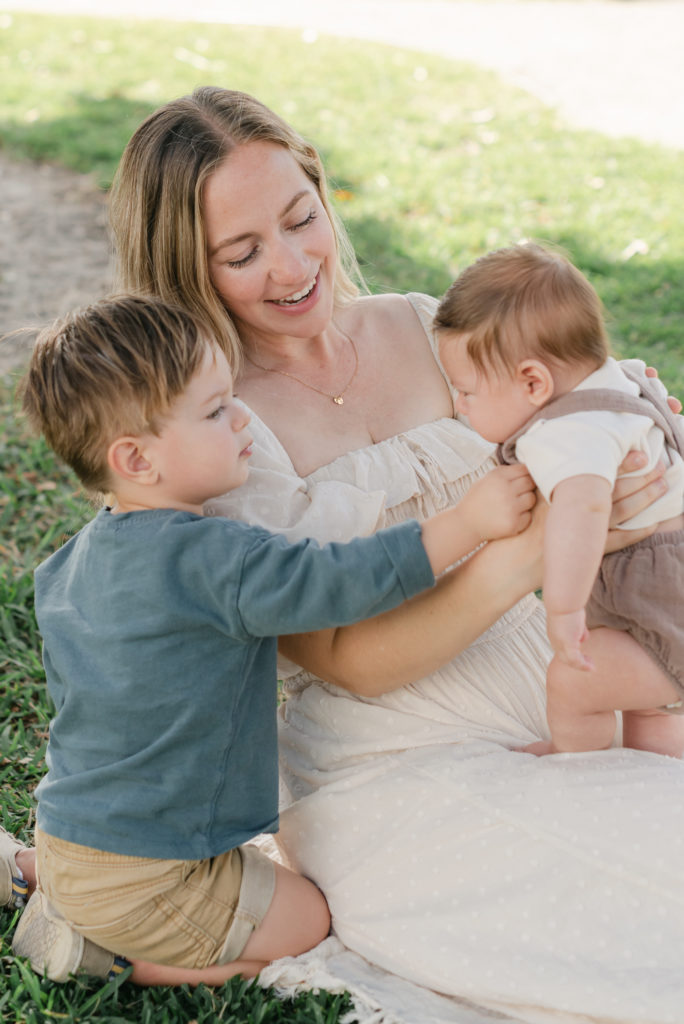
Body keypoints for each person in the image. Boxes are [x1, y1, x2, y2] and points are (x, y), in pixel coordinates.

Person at [8, 86, 684, 1022]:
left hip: (570, 668)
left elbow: (568, 419)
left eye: (301, 218)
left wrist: (625, 422)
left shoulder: (429, 326)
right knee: (645, 903)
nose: (290, 267)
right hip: (393, 747)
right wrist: (523, 556)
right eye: (241, 253)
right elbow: (350, 661)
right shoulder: (214, 442)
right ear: (188, 266)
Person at [12, 292, 534, 986]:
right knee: (308, 923)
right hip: (151, 874)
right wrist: (466, 523)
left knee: (238, 890)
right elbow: (341, 580)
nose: (242, 419)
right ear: (136, 459)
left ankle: (44, 880)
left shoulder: (66, 570)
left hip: (74, 831)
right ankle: (102, 958)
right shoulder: (215, 561)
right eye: (215, 410)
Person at [435, 242, 684, 759]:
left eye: (466, 392)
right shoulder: (627, 380)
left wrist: (565, 609)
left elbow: (584, 510)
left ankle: (580, 773)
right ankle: (657, 781)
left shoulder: (568, 433)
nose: (458, 404)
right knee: (648, 704)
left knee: (572, 682)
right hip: (663, 590)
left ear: (533, 382)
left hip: (660, 598)